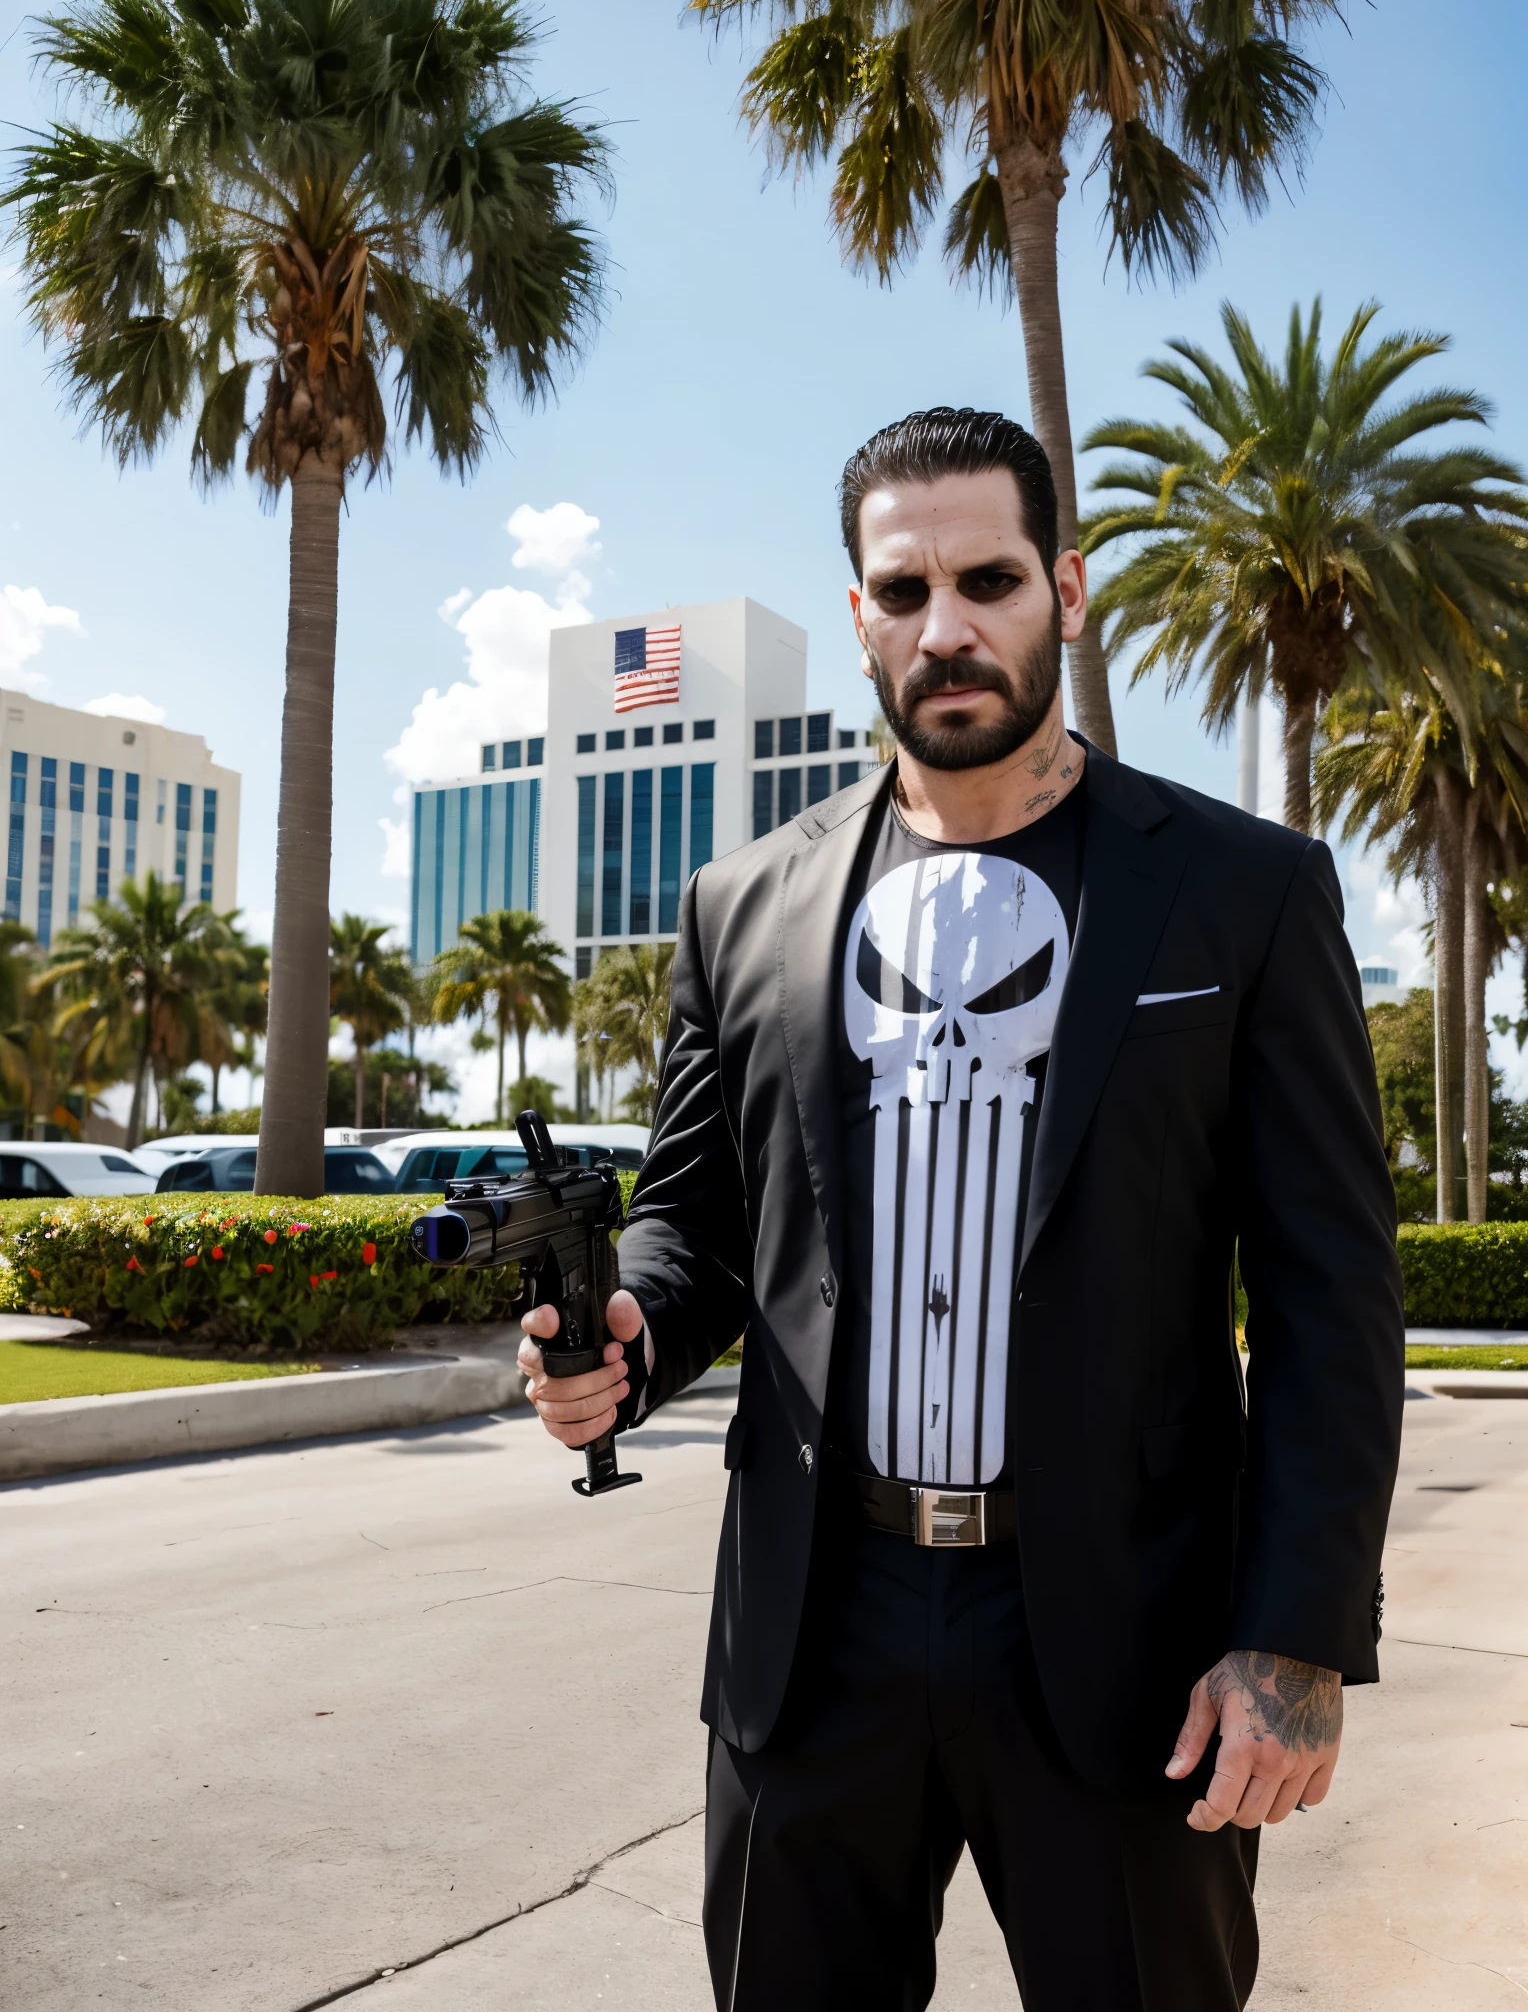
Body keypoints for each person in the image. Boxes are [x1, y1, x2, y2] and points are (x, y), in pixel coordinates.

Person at [518, 407, 1405, 2010]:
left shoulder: (1244, 891)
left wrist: (1300, 1637)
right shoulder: (742, 907)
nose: (949, 628)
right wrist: (632, 1334)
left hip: (1133, 1646)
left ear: (1064, 587)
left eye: (988, 578)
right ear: (860, 614)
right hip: (813, 1629)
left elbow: (1334, 1293)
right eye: (904, 588)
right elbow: (696, 1221)